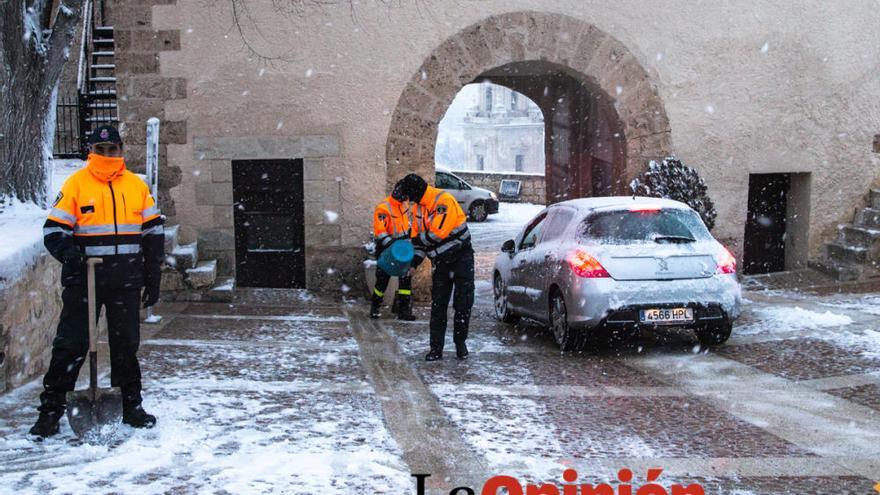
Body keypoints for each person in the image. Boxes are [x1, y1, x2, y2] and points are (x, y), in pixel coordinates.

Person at [29, 125, 164, 438]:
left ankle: (130, 406)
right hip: (83, 281)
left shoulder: (136, 186)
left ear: (120, 150)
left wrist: (152, 275)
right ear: (91, 151)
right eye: (100, 150)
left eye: (112, 149)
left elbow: (153, 233)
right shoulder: (76, 185)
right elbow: (54, 232)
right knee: (70, 346)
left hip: (125, 282)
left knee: (125, 347)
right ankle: (50, 413)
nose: (106, 155)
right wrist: (72, 257)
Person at [392, 173, 474, 361]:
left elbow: (436, 234)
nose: (408, 201)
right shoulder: (417, 209)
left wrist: (411, 240)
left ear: (415, 193)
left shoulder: (443, 201)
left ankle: (460, 343)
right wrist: (413, 264)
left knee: (463, 304)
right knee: (438, 306)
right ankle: (436, 348)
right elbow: (421, 244)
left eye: (408, 196)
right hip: (441, 263)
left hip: (462, 259)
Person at [371, 194, 418, 320]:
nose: (407, 200)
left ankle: (403, 311)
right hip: (387, 247)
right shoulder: (383, 208)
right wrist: (393, 245)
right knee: (382, 280)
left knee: (405, 280)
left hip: (402, 247)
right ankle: (375, 308)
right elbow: (380, 232)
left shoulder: (404, 205)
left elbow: (406, 226)